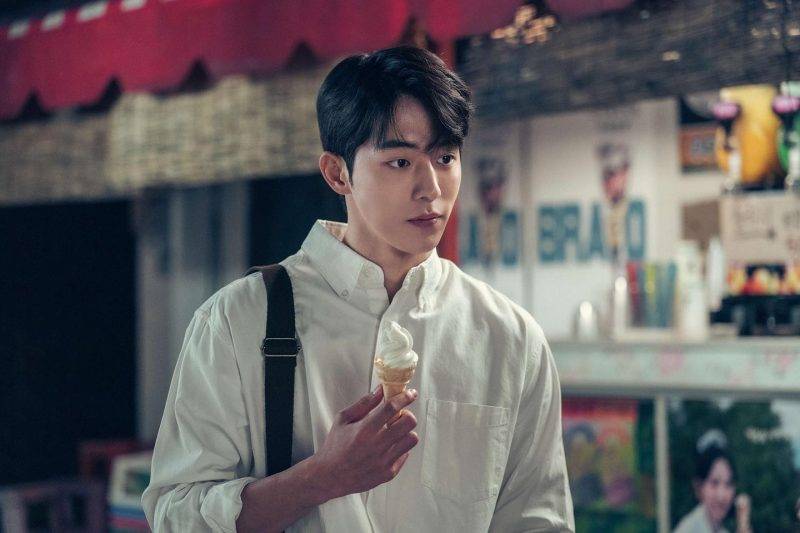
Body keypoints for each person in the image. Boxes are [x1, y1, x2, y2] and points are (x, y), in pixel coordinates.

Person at [142, 45, 574, 533]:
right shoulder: (238, 319)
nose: (431, 188)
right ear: (337, 173)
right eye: (400, 162)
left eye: (445, 157)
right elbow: (175, 515)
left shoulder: (509, 337)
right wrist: (319, 479)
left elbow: (540, 521)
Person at [674, 441, 750, 533]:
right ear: (699, 487)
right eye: (714, 483)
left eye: (728, 484)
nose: (721, 495)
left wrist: (743, 525)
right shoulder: (688, 529)